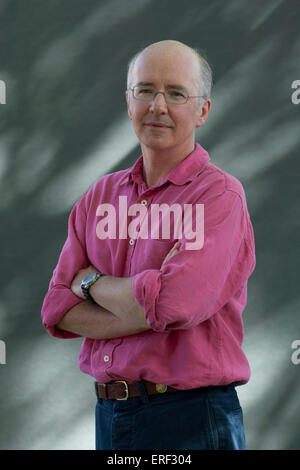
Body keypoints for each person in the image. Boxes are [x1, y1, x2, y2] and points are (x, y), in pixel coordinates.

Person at [41, 40, 256, 450]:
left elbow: (175, 304)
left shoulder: (219, 197)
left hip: (191, 419)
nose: (158, 105)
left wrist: (90, 284)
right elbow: (55, 308)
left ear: (202, 111)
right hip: (110, 416)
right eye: (145, 90)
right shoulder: (99, 197)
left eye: (176, 93)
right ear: (128, 101)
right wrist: (149, 300)